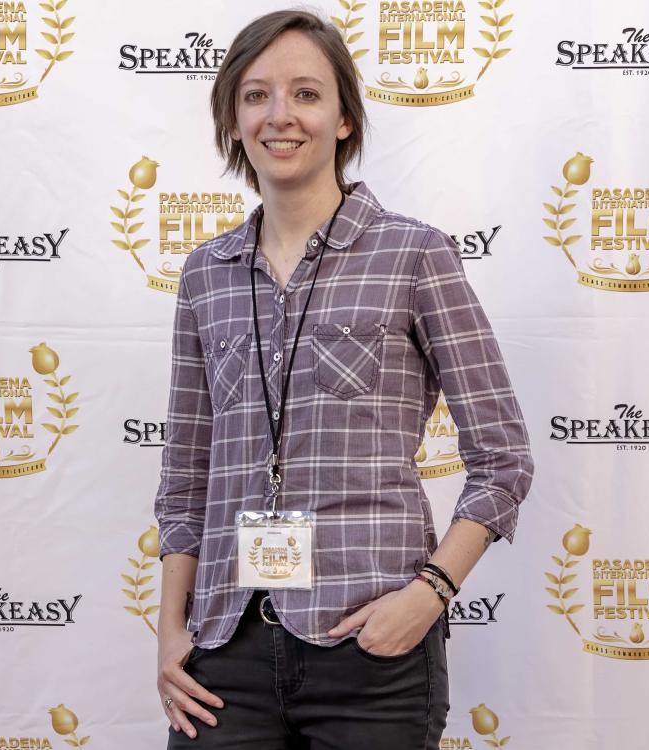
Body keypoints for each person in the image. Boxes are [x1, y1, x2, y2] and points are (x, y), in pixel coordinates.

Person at [153, 9, 533, 750]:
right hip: (223, 653)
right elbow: (184, 477)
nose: (280, 116)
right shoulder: (206, 274)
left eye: (306, 93)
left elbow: (503, 458)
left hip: (372, 652)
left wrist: (431, 595)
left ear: (345, 119)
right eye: (257, 95)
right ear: (232, 120)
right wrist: (170, 632)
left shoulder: (415, 254)